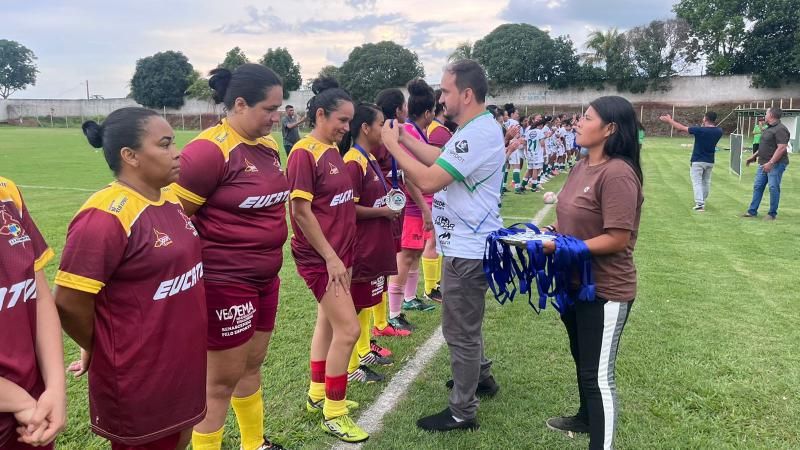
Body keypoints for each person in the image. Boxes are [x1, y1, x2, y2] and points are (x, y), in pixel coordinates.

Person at [55, 107, 207, 450]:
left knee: (180, 439)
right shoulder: (104, 216)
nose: (177, 152)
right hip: (139, 374)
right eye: (165, 144)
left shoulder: (168, 199)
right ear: (130, 155)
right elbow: (67, 302)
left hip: (182, 361)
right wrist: (103, 346)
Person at [380, 59, 502, 432]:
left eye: (446, 90)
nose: (441, 97)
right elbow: (443, 160)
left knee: (459, 331)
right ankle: (481, 377)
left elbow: (431, 180)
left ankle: (462, 411)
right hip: (467, 243)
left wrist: (393, 146)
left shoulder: (476, 132)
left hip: (468, 248)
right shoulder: (475, 128)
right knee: (467, 321)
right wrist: (406, 138)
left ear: (466, 94)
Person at [171, 64, 288, 450]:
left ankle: (254, 444)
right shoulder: (208, 151)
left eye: (279, 108)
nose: (277, 116)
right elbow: (174, 220)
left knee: (251, 367)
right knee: (219, 383)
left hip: (265, 278)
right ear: (239, 104)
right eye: (269, 109)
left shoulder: (269, 146)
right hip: (225, 283)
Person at [543, 96, 644, 450]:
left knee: (597, 375)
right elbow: (571, 219)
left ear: (609, 129)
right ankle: (586, 418)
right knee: (582, 360)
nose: (578, 123)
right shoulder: (581, 165)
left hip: (606, 289)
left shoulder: (618, 173)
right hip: (574, 285)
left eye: (586, 118)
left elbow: (618, 238)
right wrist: (550, 234)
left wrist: (567, 247)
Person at [285, 77, 366, 443]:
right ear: (320, 114)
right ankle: (334, 412)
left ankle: (317, 394)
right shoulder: (304, 152)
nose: (346, 128)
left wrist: (344, 255)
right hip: (321, 258)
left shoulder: (332, 150)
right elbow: (301, 212)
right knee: (350, 330)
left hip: (339, 255)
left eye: (350, 122)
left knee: (328, 323)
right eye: (342, 120)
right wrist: (332, 258)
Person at [0, 177, 65, 450]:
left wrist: (56, 387)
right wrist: (18, 400)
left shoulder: (6, 192)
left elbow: (36, 294)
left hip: (32, 413)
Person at [339, 103, 400, 384]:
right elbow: (347, 210)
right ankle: (350, 368)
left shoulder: (370, 157)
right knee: (352, 307)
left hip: (375, 243)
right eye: (379, 125)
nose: (383, 130)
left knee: (363, 304)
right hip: (361, 247)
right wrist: (383, 212)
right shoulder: (353, 161)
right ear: (365, 128)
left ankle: (363, 353)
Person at [375, 88, 432, 335]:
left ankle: (406, 301)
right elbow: (406, 176)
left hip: (403, 207)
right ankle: (394, 314)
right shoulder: (391, 138)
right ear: (398, 110)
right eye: (403, 107)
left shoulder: (398, 134)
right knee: (403, 259)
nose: (407, 111)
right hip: (405, 207)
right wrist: (422, 207)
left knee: (412, 255)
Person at [659, 112, 722, 212]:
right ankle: (702, 200)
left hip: (698, 160)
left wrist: (669, 120)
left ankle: (700, 204)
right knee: (706, 182)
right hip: (710, 160)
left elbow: (681, 128)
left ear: (705, 118)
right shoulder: (719, 131)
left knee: (697, 182)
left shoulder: (700, 130)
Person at [742, 108, 790, 220]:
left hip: (776, 164)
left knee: (773, 187)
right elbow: (765, 145)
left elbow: (782, 148)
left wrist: (771, 163)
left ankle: (772, 214)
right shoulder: (768, 128)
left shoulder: (780, 129)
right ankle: (752, 211)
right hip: (763, 163)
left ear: (771, 115)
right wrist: (754, 156)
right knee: (758, 186)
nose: (765, 115)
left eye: (767, 113)